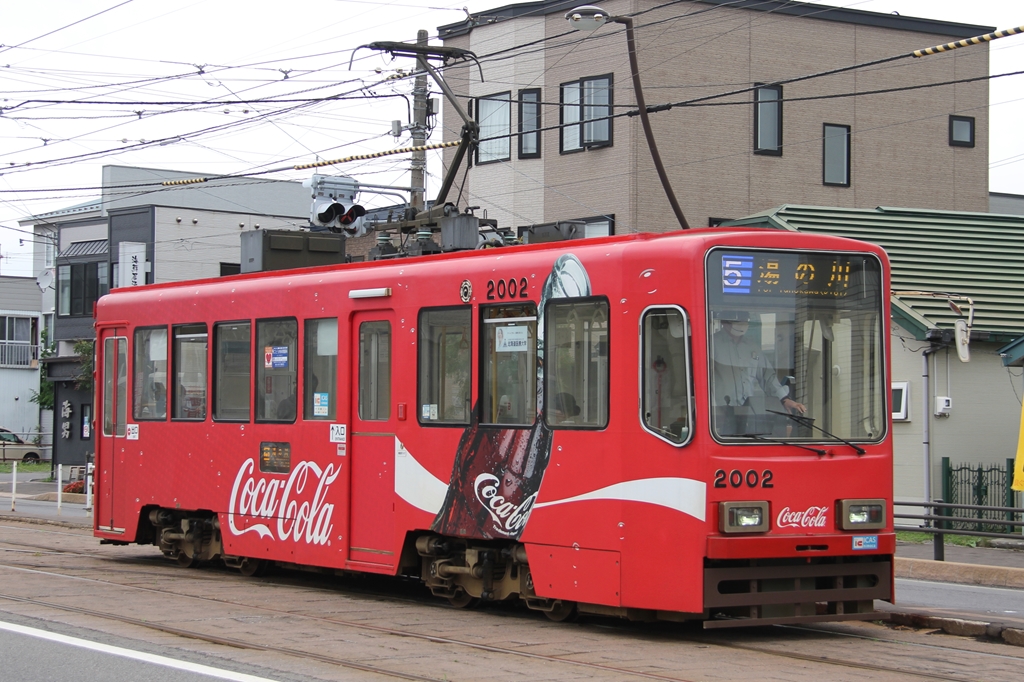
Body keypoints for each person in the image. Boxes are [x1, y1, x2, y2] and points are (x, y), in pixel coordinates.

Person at [712, 311, 805, 434]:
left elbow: (768, 376)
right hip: (720, 416)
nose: (742, 324)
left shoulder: (752, 346)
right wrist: (712, 409)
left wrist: (784, 399)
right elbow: (702, 380)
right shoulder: (711, 344)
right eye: (738, 320)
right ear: (724, 322)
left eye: (745, 321)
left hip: (749, 415)